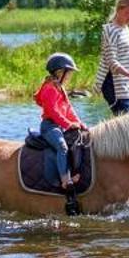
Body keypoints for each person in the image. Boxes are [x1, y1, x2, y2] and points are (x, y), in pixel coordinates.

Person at [36, 52, 88, 209]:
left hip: (60, 124)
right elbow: (53, 112)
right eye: (69, 73)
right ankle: (65, 179)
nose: (69, 77)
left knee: (79, 142)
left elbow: (69, 109)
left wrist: (79, 123)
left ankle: (75, 172)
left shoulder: (60, 88)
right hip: (50, 126)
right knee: (62, 146)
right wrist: (67, 124)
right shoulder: (49, 89)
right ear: (59, 72)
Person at [95, 0, 129, 115]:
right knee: (126, 126)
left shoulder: (125, 28)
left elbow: (127, 58)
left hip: (128, 85)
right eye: (128, 13)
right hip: (114, 85)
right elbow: (112, 62)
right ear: (119, 10)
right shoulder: (110, 30)